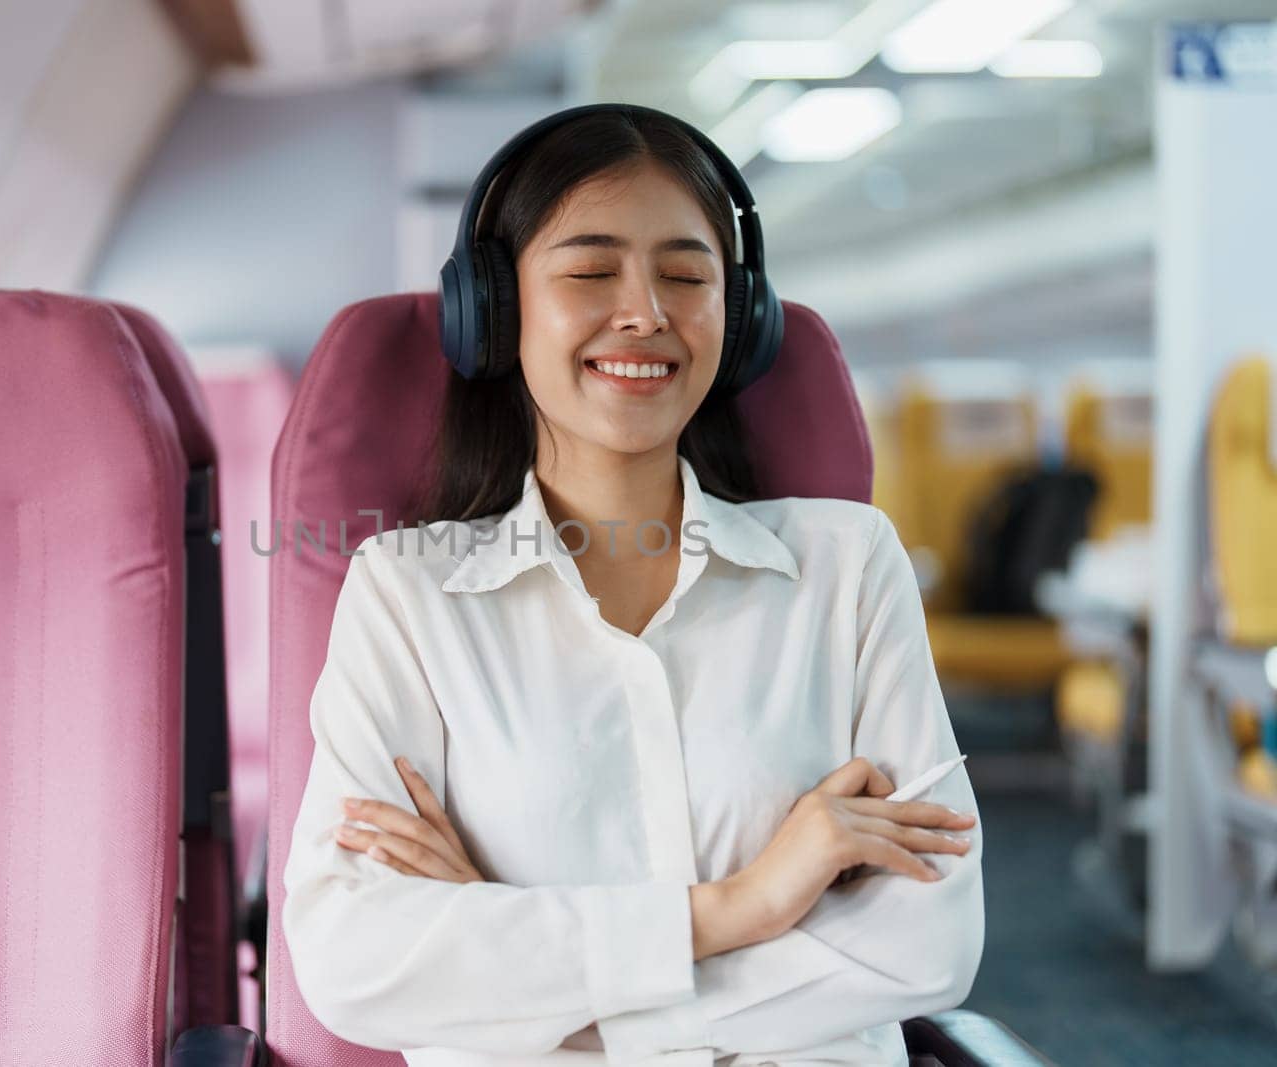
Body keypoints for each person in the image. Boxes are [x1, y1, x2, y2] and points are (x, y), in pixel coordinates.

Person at [282, 106, 984, 1067]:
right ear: (494, 310)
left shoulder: (849, 566)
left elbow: (926, 944)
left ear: (736, 319)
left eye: (687, 275)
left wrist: (515, 963)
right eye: (589, 270)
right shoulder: (408, 597)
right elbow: (354, 962)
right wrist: (739, 907)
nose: (646, 311)